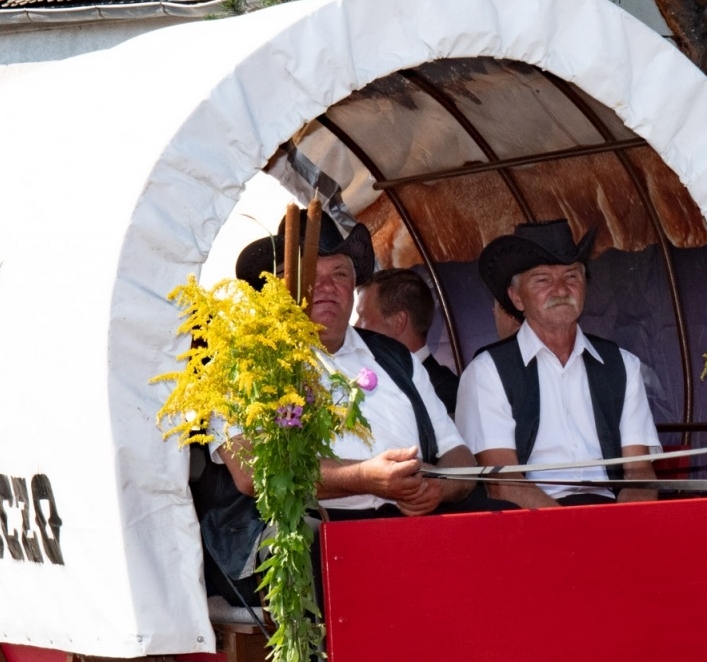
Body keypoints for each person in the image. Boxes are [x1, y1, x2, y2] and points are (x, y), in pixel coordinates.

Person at [215, 214, 476, 521]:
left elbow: (460, 457)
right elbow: (249, 473)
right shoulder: (244, 363)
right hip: (312, 532)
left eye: (339, 274)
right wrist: (363, 477)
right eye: (309, 273)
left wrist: (441, 489)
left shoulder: (397, 358)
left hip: (414, 524)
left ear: (353, 285)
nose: (325, 286)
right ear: (279, 285)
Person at [456, 219, 661, 508]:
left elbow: (639, 472)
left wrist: (620, 529)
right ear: (517, 298)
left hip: (608, 517)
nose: (561, 289)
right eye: (542, 280)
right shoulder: (487, 372)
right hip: (529, 522)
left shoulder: (622, 365)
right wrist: (571, 531)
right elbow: (503, 484)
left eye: (572, 277)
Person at [355, 268, 459, 414]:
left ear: (399, 322)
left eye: (363, 317)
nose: (356, 326)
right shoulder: (369, 381)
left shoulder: (446, 396)